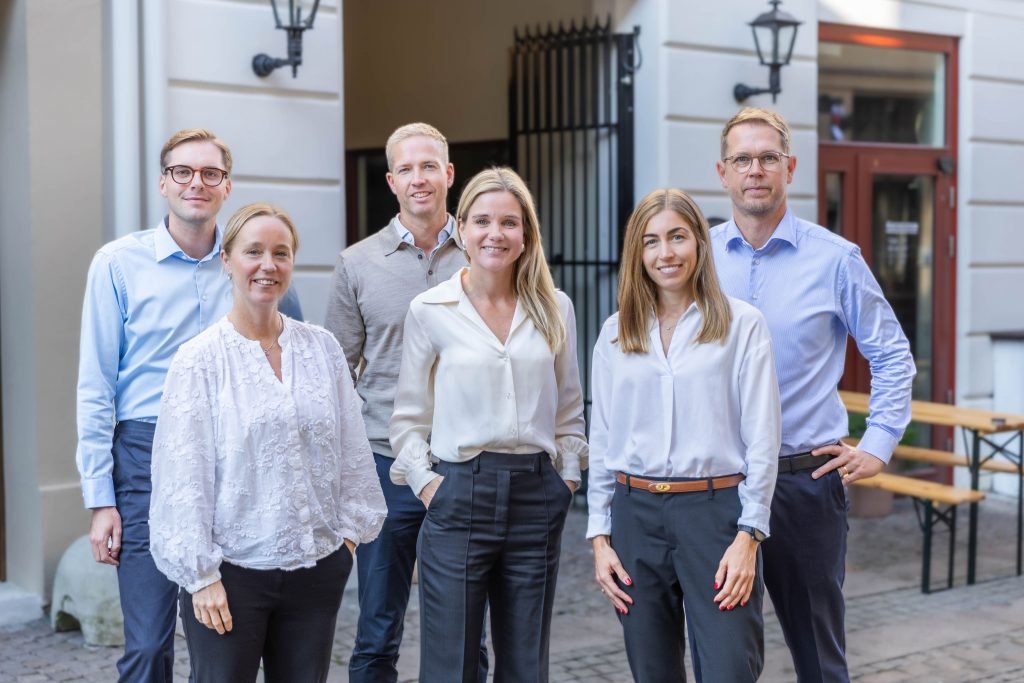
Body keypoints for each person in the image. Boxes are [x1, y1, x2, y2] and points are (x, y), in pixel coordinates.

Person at [711, 107, 915, 682]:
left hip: (804, 482)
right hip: (718, 484)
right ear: (723, 172)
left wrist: (877, 444)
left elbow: (892, 353)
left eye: (768, 157)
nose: (756, 169)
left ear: (790, 168)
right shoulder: (695, 258)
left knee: (819, 657)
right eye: (743, 159)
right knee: (723, 656)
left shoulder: (834, 259)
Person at [149, 202, 387, 682]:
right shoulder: (199, 361)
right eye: (253, 251)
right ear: (227, 260)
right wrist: (201, 578)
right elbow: (182, 477)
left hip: (316, 569)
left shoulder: (322, 349)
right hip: (231, 576)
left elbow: (353, 451)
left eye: (281, 253)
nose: (268, 265)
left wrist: (345, 542)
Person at [390, 167, 587, 683]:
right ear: (461, 229)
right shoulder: (430, 310)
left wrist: (565, 479)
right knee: (450, 665)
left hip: (536, 494)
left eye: (508, 222)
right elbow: (408, 419)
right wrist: (429, 486)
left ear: (526, 235)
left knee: (526, 665)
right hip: (458, 492)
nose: (495, 233)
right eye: (481, 220)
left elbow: (569, 409)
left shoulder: (555, 308)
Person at [588, 188, 781, 682]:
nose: (665, 253)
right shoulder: (614, 334)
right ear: (638, 252)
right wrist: (600, 539)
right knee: (652, 672)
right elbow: (604, 439)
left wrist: (749, 535)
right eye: (651, 241)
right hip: (636, 518)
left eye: (677, 237)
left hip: (716, 517)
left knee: (729, 669)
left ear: (699, 242)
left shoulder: (743, 326)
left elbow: (763, 438)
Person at [324, 122, 486, 682]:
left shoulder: (485, 251)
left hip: (467, 461)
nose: (419, 178)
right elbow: (337, 375)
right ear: (391, 181)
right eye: (407, 169)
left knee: (468, 629)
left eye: (429, 166)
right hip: (385, 466)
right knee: (377, 628)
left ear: (449, 174)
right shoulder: (357, 264)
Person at [75, 127, 235, 681]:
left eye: (210, 173)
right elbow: (95, 386)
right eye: (184, 172)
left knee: (222, 642)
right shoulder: (118, 264)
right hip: (144, 457)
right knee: (147, 646)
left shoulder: (249, 264)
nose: (198, 182)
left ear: (226, 186)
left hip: (231, 458)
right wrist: (101, 500)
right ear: (164, 183)